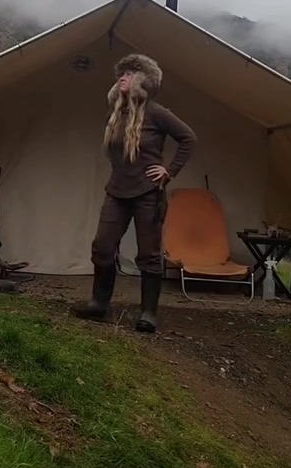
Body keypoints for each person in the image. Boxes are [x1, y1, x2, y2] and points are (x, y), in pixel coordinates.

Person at [73, 54, 196, 333]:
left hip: (147, 193)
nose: (122, 77)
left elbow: (188, 138)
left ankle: (148, 314)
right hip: (116, 192)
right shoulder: (115, 114)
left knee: (149, 256)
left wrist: (169, 171)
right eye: (121, 73)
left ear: (144, 80)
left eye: (130, 73)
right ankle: (99, 303)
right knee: (102, 248)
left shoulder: (157, 112)